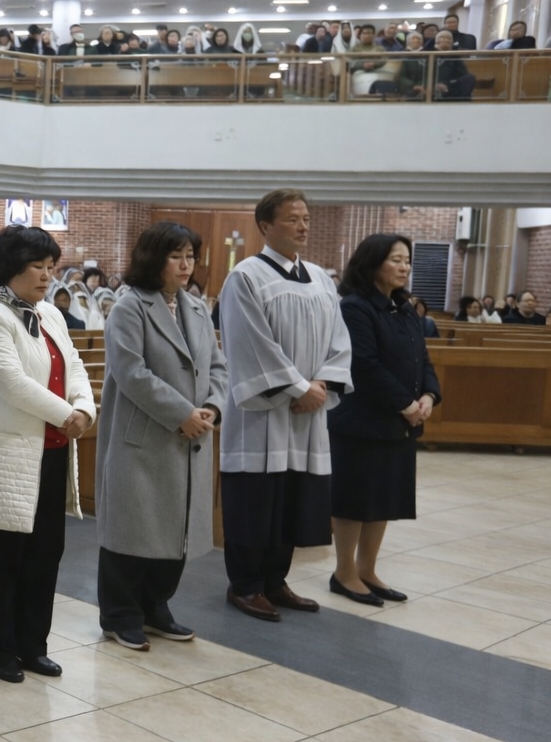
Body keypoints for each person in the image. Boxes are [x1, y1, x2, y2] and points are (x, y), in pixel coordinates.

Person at [0, 225, 94, 681]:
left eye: (50, 267)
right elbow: (13, 383)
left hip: (52, 451)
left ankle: (33, 645)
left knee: (45, 553)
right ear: (11, 268)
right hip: (8, 454)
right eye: (37, 266)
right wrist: (66, 413)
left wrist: (84, 407)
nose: (46, 275)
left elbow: (74, 366)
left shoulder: (50, 314)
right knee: (2, 557)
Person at [218, 188, 352, 623]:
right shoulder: (246, 277)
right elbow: (249, 344)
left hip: (307, 414)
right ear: (266, 225)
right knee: (255, 501)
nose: (303, 226)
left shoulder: (321, 280)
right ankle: (245, 585)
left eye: (306, 218)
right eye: (293, 219)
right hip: (263, 415)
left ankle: (276, 580)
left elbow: (340, 341)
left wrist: (321, 385)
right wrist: (298, 389)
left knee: (292, 499)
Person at [95, 223, 227, 650]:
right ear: (154, 259)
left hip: (191, 437)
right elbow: (132, 372)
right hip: (144, 439)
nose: (186, 265)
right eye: (176, 256)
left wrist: (213, 406)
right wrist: (181, 413)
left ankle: (156, 607)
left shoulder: (196, 307)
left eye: (190, 256)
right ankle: (119, 615)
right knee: (133, 529)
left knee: (176, 529)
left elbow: (218, 366)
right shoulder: (130, 307)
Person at [328, 235, 440, 607]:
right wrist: (405, 404)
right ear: (372, 262)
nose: (404, 267)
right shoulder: (355, 307)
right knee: (354, 499)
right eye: (396, 259)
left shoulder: (404, 308)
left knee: (382, 500)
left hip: (397, 423)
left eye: (407, 260)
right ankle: (344, 572)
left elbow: (422, 359)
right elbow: (364, 364)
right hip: (361, 421)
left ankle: (367, 569)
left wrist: (428, 395)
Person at [431, 31, 477, 100]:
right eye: (443, 38)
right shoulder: (430, 54)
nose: (446, 40)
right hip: (434, 83)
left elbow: (462, 72)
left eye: (449, 39)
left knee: (469, 78)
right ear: (437, 41)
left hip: (451, 85)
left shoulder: (454, 55)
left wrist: (449, 85)